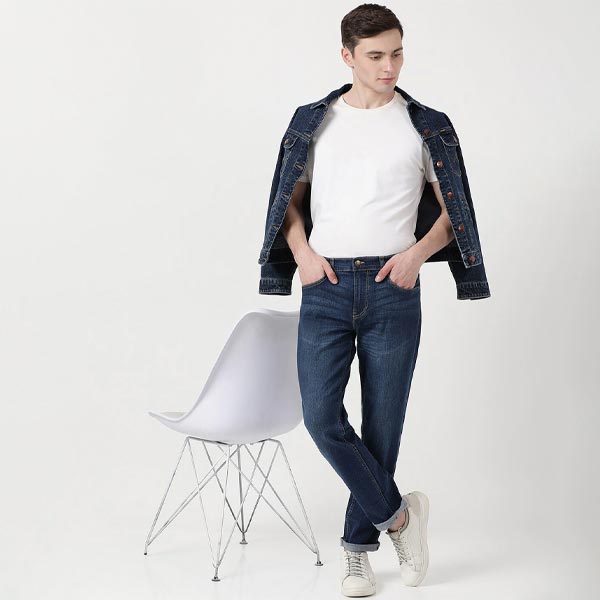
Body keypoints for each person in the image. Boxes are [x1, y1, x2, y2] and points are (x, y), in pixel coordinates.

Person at [258, 3, 491, 596]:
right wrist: (302, 255)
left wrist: (416, 256)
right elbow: (288, 200)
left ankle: (357, 550)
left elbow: (455, 212)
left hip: (394, 286)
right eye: (376, 56)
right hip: (326, 285)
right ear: (347, 56)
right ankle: (401, 518)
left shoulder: (425, 125)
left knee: (382, 426)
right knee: (321, 418)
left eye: (397, 53)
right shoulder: (314, 121)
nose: (389, 67)